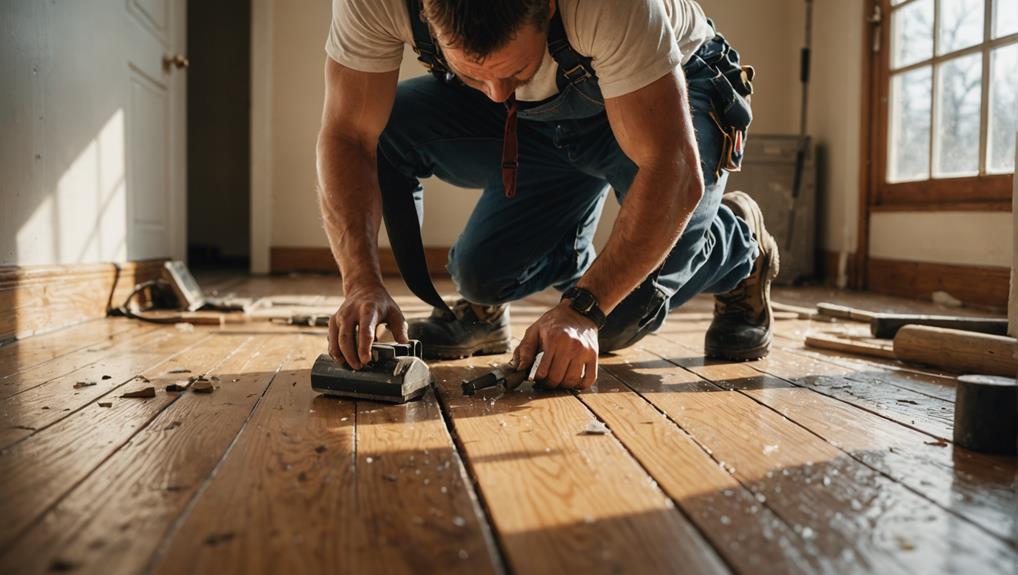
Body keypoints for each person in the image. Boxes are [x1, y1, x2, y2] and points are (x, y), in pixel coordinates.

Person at [317, 0, 778, 390]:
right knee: (478, 273)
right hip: (538, 119)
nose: (495, 95)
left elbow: (672, 170)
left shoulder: (610, 8)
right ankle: (501, 301)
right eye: (473, 74)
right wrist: (360, 282)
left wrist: (583, 309)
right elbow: (350, 135)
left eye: (513, 70)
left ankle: (739, 249)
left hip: (668, 95)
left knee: (615, 319)